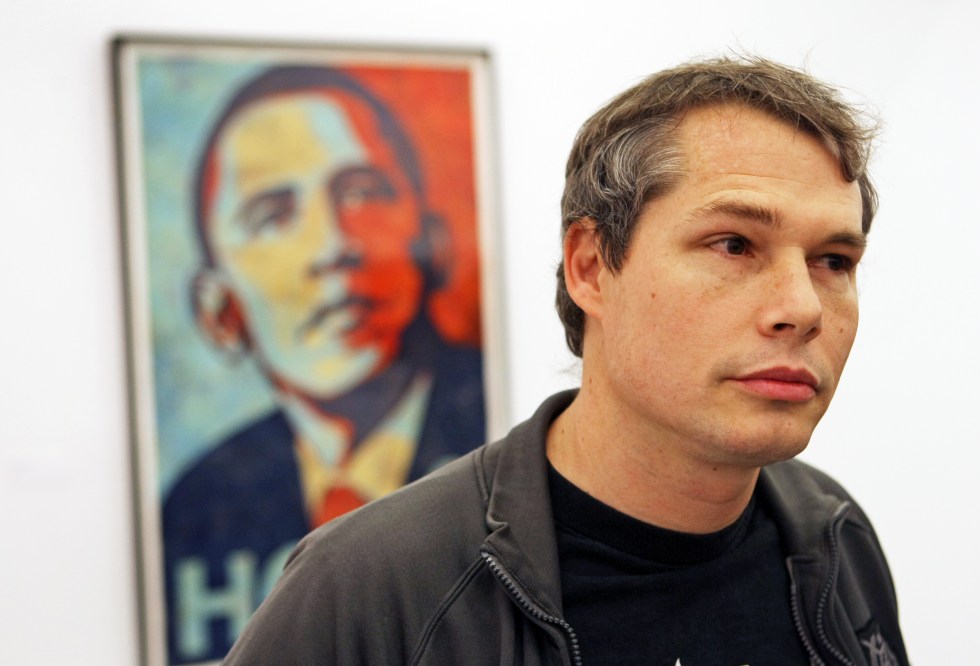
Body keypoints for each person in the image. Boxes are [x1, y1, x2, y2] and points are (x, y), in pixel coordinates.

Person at [223, 56, 909, 665]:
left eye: (833, 261)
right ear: (590, 267)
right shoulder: (372, 588)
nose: (802, 306)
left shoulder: (833, 532)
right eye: (733, 245)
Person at [161, 66, 486, 664]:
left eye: (362, 191)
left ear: (433, 243)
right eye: (273, 214)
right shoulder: (200, 502)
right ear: (220, 311)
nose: (335, 245)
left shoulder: (515, 451)